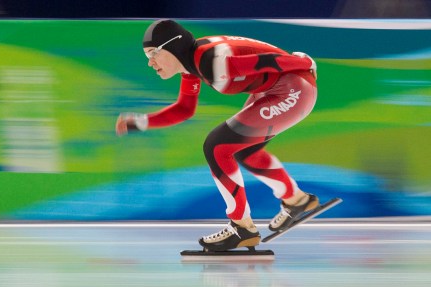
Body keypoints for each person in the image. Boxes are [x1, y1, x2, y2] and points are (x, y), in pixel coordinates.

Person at [116, 19, 319, 252]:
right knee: (242, 151)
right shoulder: (192, 63)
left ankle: (242, 227)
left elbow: (269, 61)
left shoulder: (213, 61)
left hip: (295, 88)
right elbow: (184, 109)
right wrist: (139, 122)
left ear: (173, 47)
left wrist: (304, 61)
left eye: (153, 53)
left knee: (217, 145)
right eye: (146, 56)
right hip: (277, 89)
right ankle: (297, 200)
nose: (150, 62)